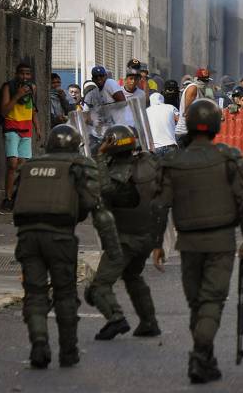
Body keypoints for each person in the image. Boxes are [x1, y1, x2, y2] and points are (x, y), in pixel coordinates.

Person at [151, 99, 243, 384]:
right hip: (221, 242)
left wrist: (158, 244)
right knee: (211, 301)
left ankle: (204, 356)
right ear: (216, 125)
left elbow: (160, 206)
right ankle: (200, 356)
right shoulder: (229, 157)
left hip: (188, 244)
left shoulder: (173, 161)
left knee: (197, 303)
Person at [12, 125, 122, 368]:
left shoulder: (28, 165)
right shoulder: (80, 164)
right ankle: (68, 351)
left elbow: (15, 198)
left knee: (35, 293)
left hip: (28, 236)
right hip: (60, 236)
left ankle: (39, 342)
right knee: (65, 294)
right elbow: (92, 202)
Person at [86, 125, 161, 340]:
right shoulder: (149, 161)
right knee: (132, 276)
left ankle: (115, 319)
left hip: (124, 238)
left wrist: (100, 157)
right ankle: (149, 322)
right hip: (147, 235)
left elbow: (106, 190)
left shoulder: (118, 173)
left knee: (99, 286)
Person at [0, 62, 41, 212]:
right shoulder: (8, 87)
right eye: (22, 73)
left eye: (27, 74)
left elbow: (33, 110)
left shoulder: (32, 88)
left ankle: (19, 197)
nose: (25, 77)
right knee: (12, 164)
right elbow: (3, 111)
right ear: (16, 74)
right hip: (11, 128)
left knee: (23, 166)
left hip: (26, 130)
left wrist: (38, 127)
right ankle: (7, 198)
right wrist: (17, 95)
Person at [83, 65, 127, 152]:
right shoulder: (96, 92)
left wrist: (106, 109)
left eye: (101, 76)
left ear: (105, 76)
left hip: (120, 127)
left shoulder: (109, 83)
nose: (99, 78)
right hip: (108, 130)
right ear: (93, 79)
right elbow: (87, 116)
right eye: (96, 76)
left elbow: (122, 102)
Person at [175, 68, 214, 145]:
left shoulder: (205, 91)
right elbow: (187, 113)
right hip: (185, 133)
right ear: (196, 79)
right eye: (202, 80)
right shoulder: (193, 88)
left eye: (206, 80)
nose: (204, 83)